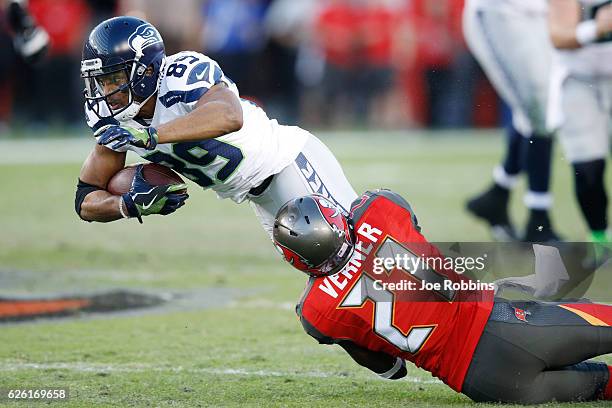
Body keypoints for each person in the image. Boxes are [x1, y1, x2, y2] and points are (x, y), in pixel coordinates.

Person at [273, 190, 612, 403]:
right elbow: (409, 230)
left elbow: (391, 370)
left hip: (486, 385)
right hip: (507, 328)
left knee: (601, 384)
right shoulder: (378, 209)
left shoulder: (315, 312)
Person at [74, 16, 357, 235]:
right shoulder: (117, 119)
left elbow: (229, 115)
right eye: (100, 81)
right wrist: (127, 204)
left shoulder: (181, 74)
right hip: (257, 196)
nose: (106, 90)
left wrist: (151, 136)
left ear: (145, 71)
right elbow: (85, 199)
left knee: (358, 247)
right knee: (326, 268)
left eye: (113, 78)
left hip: (288, 161)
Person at [463, 0, 560, 242]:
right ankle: (538, 220)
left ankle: (497, 195)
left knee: (537, 109)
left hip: (538, 12)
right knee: (539, 111)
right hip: (500, 11)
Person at [548, 0, 612, 253]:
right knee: (588, 169)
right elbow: (558, 36)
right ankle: (600, 240)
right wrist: (596, 28)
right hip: (578, 78)